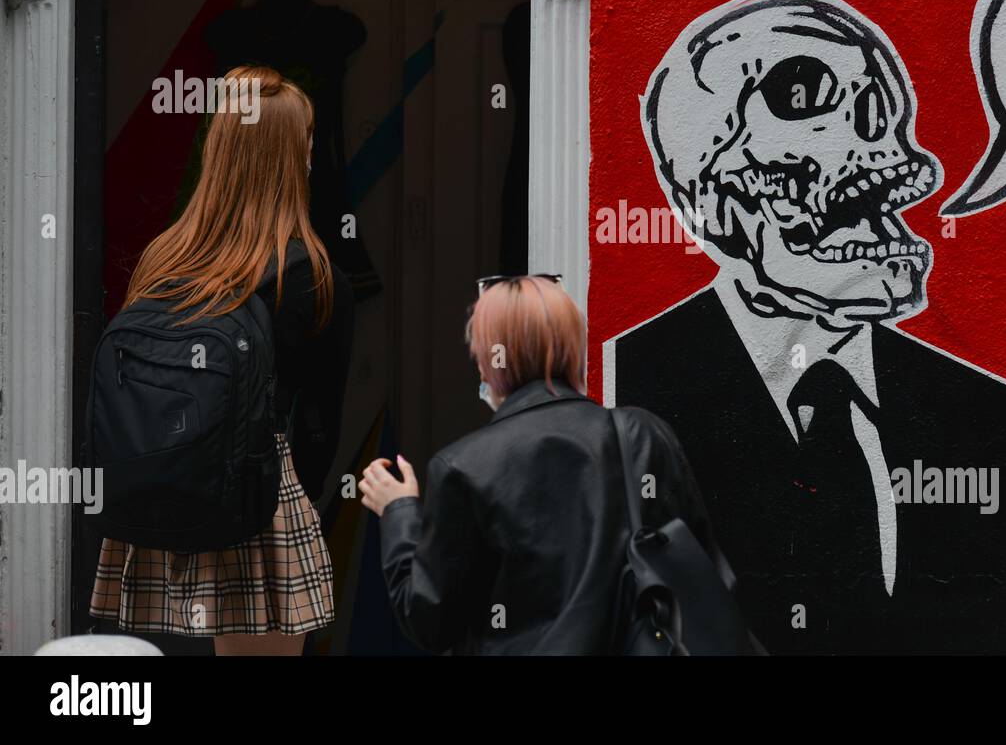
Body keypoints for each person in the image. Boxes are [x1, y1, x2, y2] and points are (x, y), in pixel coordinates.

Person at [89, 65, 355, 656]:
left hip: (151, 512)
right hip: (255, 508)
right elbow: (319, 428)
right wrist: (290, 515)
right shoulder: (311, 276)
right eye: (308, 141)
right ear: (290, 155)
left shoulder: (164, 256)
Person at [359, 274, 725, 654]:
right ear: (571, 346)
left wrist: (398, 509)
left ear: (489, 360)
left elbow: (429, 621)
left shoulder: (462, 467)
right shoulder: (641, 436)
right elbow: (702, 570)